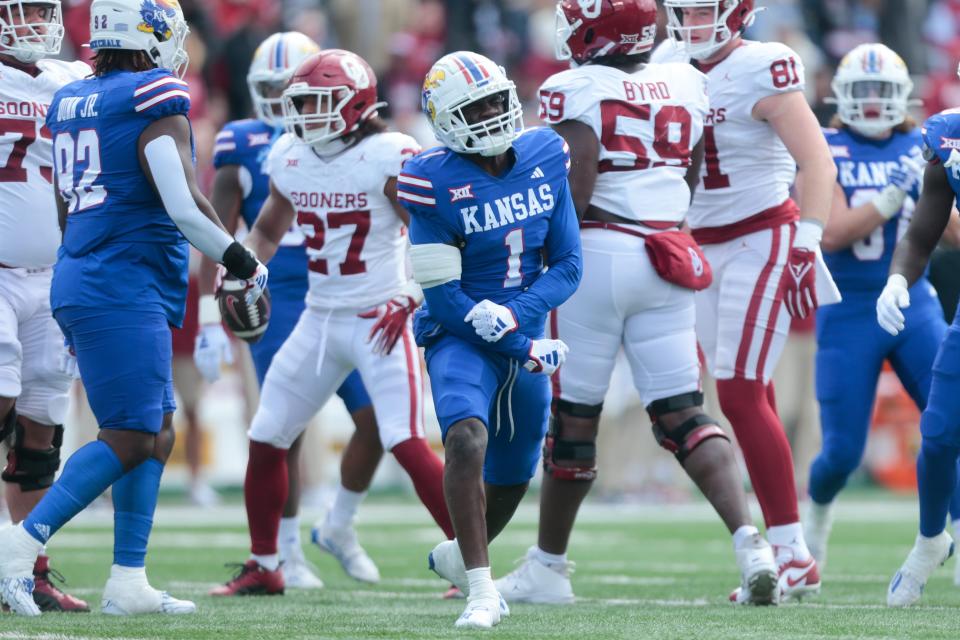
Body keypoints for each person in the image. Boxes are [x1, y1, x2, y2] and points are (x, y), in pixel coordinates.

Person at [495, 0, 777, 607]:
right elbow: (691, 174)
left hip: (597, 258)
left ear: (597, 31)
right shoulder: (686, 78)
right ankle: (751, 542)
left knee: (574, 419)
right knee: (684, 413)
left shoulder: (572, 86)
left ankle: (548, 567)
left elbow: (577, 188)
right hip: (667, 251)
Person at [0, 0, 268, 616]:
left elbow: (68, 207)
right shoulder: (152, 93)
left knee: (157, 430)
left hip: (91, 275)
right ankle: (20, 545)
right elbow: (181, 203)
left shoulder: (73, 96)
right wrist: (243, 261)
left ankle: (127, 580)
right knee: (130, 435)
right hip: (120, 281)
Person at [210, 48, 453, 598]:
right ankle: (266, 562)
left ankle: (471, 562)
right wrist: (243, 270)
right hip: (320, 316)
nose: (306, 114)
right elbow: (268, 231)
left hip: (378, 314)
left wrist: (414, 294)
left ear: (358, 102)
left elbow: (431, 232)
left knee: (406, 439)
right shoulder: (291, 156)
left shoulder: (390, 153)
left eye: (320, 101)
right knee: (267, 432)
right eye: (302, 103)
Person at [654, 0, 838, 600]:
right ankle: (790, 551)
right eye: (680, 10)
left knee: (737, 388)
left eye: (702, 10)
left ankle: (788, 550)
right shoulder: (663, 64)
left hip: (765, 234)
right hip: (700, 246)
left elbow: (815, 159)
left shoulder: (764, 65)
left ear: (736, 13)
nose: (688, 22)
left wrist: (809, 237)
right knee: (740, 393)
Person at [195, 31, 386, 589]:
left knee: (378, 419)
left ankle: (340, 524)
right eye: (272, 88)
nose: (284, 97)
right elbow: (218, 232)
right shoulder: (247, 142)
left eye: (292, 85)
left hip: (348, 292)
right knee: (287, 426)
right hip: (277, 296)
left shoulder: (358, 142)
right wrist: (210, 321)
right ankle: (286, 551)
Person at [406, 51, 581, 628]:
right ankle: (483, 591)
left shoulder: (546, 153)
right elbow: (443, 299)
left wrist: (521, 320)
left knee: (513, 472)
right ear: (444, 119)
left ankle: (460, 559)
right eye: (472, 108)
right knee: (466, 439)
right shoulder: (429, 178)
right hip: (459, 333)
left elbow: (568, 264)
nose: (490, 115)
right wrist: (518, 342)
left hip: (521, 329)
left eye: (495, 101)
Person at [805, 43, 960, 570]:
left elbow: (951, 235)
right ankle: (815, 524)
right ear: (843, 97)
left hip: (914, 304)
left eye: (882, 91)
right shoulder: (824, 147)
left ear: (901, 96)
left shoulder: (924, 142)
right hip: (849, 310)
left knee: (949, 427)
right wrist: (892, 198)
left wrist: (936, 195)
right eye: (862, 92)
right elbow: (832, 233)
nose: (872, 102)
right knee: (842, 453)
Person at [0, 0, 90, 613]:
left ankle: (25, 571)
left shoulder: (70, 82)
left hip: (53, 276)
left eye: (40, 12)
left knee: (40, 432)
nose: (34, 24)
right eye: (20, 13)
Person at [876, 58, 960, 607]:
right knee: (937, 435)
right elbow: (924, 227)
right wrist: (898, 281)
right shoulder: (949, 135)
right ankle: (931, 540)